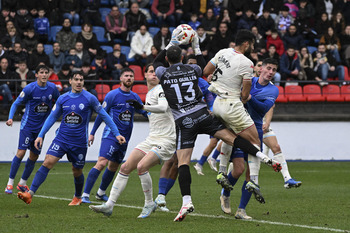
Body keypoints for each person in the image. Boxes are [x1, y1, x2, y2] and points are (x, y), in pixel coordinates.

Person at [154, 29, 281, 222]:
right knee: (234, 138)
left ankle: (187, 201)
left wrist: (171, 43)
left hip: (186, 120)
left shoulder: (162, 73)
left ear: (167, 58)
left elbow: (156, 62)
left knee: (183, 162)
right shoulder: (192, 70)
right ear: (182, 57)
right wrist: (196, 46)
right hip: (204, 113)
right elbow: (203, 70)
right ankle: (262, 159)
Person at [17, 72, 126, 205]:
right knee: (47, 162)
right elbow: (51, 118)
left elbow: (104, 115)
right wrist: (40, 135)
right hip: (61, 139)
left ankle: (78, 196)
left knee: (77, 170)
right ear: (70, 81)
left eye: (81, 79)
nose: (79, 82)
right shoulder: (63, 98)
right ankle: (30, 193)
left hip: (79, 143)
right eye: (76, 79)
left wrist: (116, 133)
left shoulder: (90, 98)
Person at [89, 64, 176, 218]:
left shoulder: (161, 90)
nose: (154, 74)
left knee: (141, 166)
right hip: (152, 138)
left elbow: (162, 108)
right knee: (125, 167)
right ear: (145, 76)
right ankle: (109, 205)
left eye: (156, 72)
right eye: (151, 72)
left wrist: (142, 107)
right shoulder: (148, 94)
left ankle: (149, 203)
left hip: (166, 139)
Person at [203, 29, 281, 196]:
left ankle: (222, 171)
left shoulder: (222, 52)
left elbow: (206, 71)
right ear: (246, 43)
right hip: (232, 105)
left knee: (230, 136)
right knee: (254, 142)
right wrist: (244, 97)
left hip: (217, 104)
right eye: (251, 43)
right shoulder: (247, 63)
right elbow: (245, 95)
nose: (252, 46)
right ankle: (253, 180)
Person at [218, 58, 280, 219]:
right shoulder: (248, 81)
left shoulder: (273, 90)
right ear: (261, 69)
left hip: (255, 131)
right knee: (238, 169)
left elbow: (263, 109)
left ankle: (241, 210)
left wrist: (249, 97)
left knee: (250, 174)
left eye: (274, 70)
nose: (271, 72)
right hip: (239, 128)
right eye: (268, 68)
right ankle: (225, 194)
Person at [81, 68, 147, 203]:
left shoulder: (135, 97)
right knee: (102, 163)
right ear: (121, 78)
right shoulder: (112, 95)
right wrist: (92, 133)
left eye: (131, 76)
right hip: (110, 136)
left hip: (125, 138)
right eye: (126, 76)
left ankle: (100, 193)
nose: (129, 78)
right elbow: (101, 114)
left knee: (113, 167)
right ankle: (85, 195)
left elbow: (145, 112)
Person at [4, 65, 60, 194]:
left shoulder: (52, 88)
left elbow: (59, 102)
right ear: (36, 75)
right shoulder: (30, 88)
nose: (44, 75)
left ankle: (22, 183)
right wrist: (10, 118)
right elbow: (16, 103)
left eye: (46, 72)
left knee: (34, 156)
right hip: (27, 126)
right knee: (21, 153)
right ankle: (10, 183)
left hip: (41, 130)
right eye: (42, 72)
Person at [263, 105, 302, 189]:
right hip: (246, 122)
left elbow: (270, 106)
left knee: (276, 147)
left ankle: (287, 179)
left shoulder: (266, 92)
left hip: (261, 123)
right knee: (239, 157)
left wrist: (267, 123)